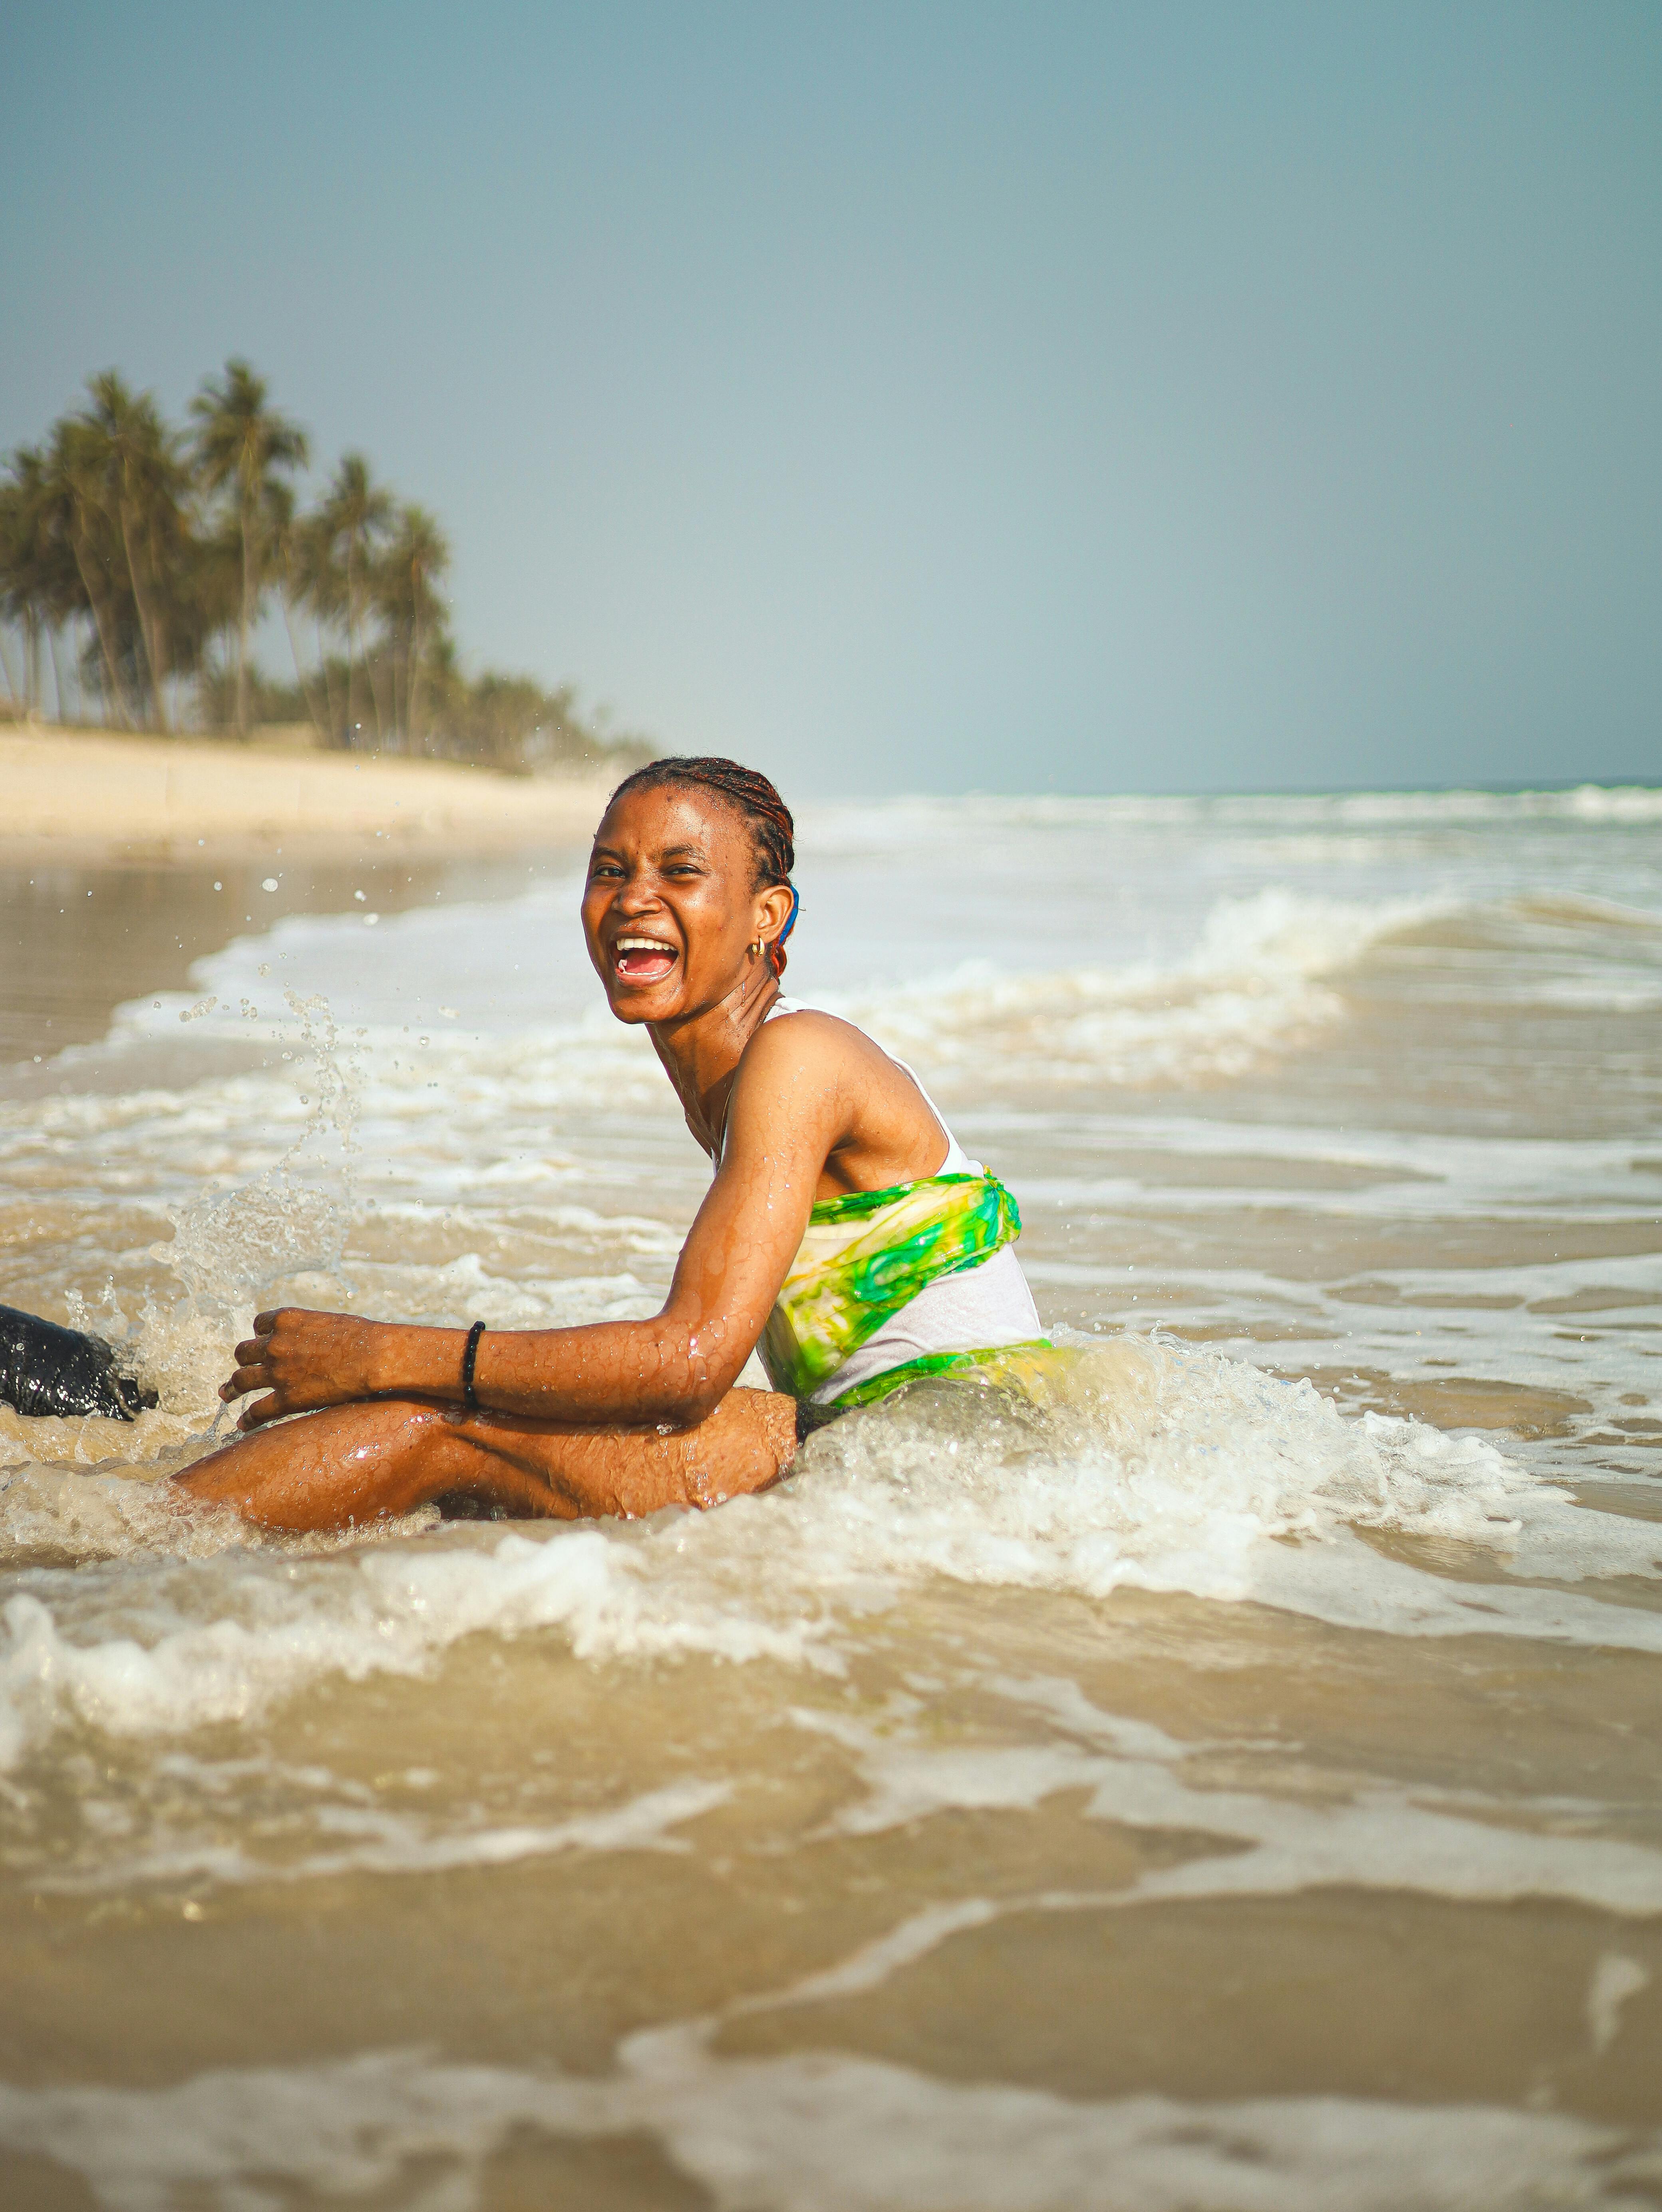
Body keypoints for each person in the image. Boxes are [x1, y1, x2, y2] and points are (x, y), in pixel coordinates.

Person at [176, 759, 1047, 1533]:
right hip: (913, 1452)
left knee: (438, 1426)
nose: (634, 897)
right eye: (609, 870)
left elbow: (691, 1363)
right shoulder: (728, 1089)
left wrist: (381, 1354)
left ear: (765, 914)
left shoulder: (799, 1055)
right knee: (472, 1443)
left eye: (681, 871)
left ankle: (114, 1544)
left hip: (957, 1452)